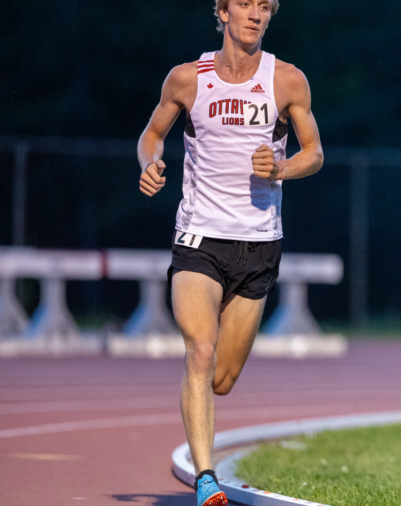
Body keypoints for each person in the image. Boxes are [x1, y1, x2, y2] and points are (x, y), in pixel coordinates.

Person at [136, 0, 323, 504]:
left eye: (264, 6)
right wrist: (150, 163)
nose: (254, 14)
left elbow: (315, 152)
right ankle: (206, 480)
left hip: (259, 244)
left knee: (221, 377)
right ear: (221, 11)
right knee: (200, 351)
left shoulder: (287, 81)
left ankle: (201, 423)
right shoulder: (186, 79)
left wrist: (282, 169)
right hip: (199, 238)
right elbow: (152, 135)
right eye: (243, 4)